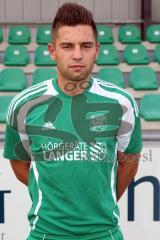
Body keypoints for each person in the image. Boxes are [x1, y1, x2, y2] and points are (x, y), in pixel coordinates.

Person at [3, 3, 142, 240]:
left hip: (104, 233)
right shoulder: (24, 105)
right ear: (52, 50)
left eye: (85, 46)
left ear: (97, 49)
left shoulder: (122, 103)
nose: (77, 54)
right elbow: (19, 164)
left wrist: (101, 201)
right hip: (45, 234)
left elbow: (128, 162)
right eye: (67, 46)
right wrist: (50, 193)